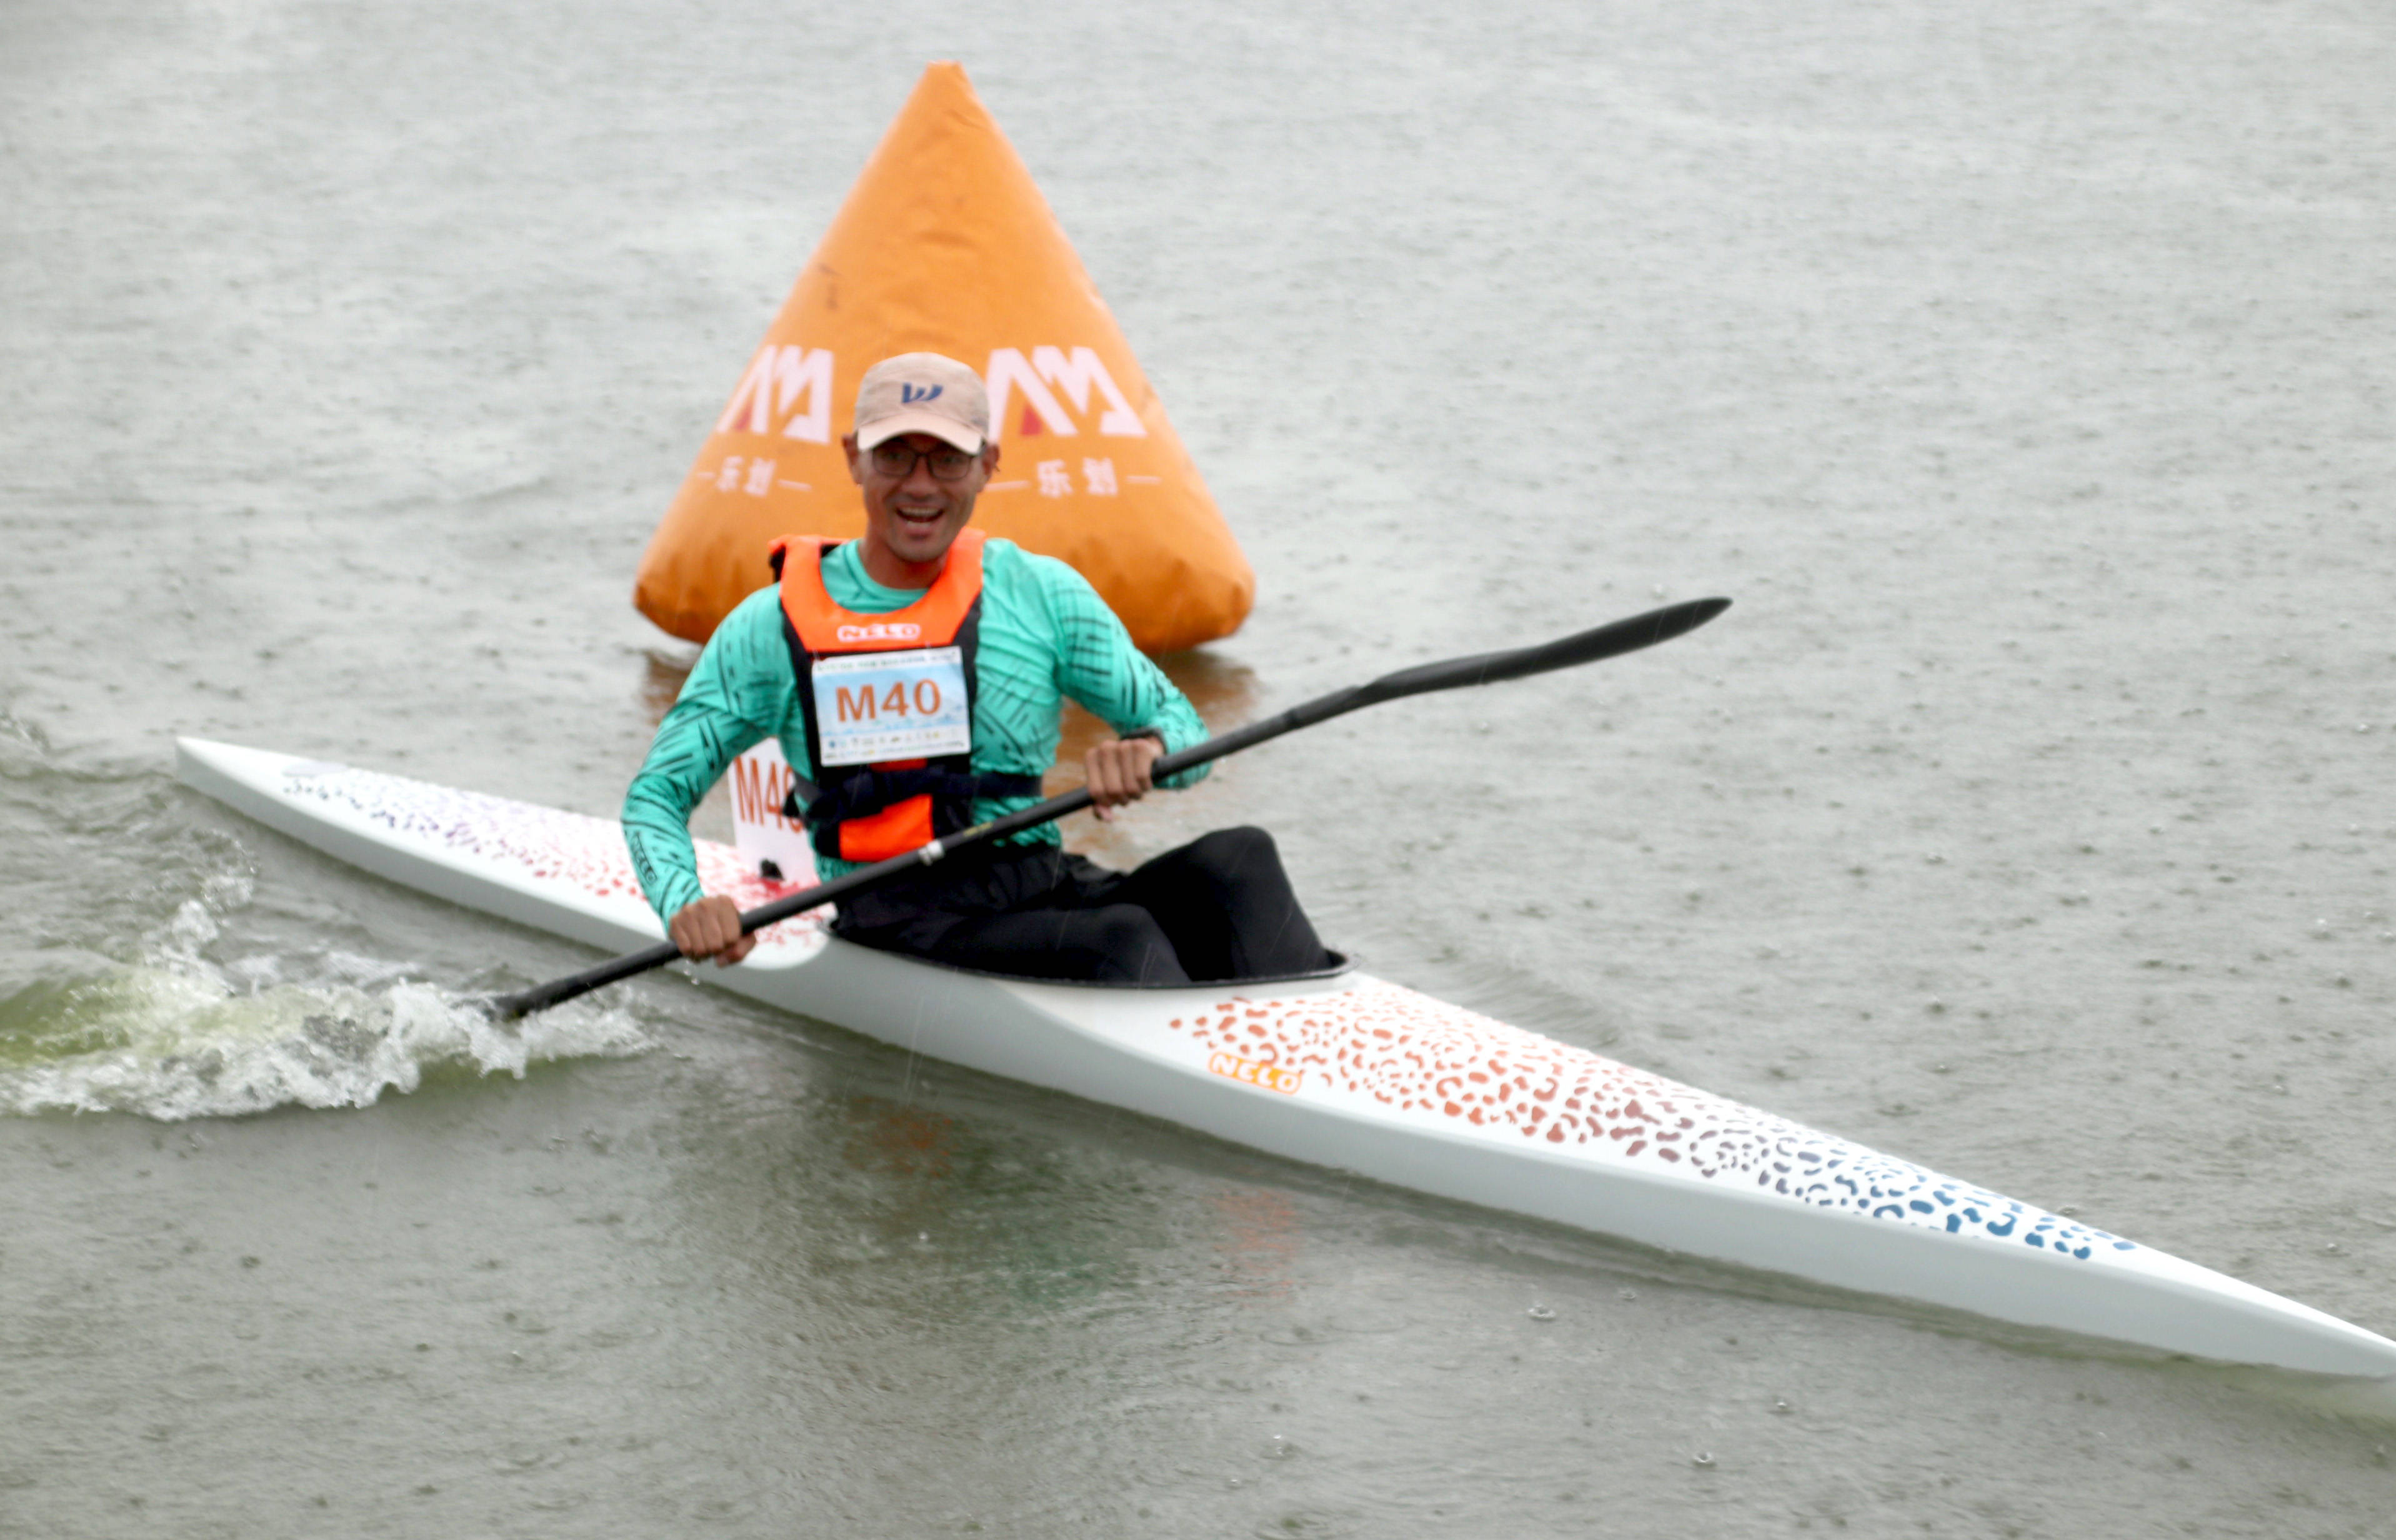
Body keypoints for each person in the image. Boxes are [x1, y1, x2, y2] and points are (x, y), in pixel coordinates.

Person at [623, 351, 1332, 986]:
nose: (920, 486)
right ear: (853, 458)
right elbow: (655, 796)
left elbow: (1185, 731)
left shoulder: (1041, 593)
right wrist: (684, 901)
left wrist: (1149, 750)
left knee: (1242, 859)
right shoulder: (768, 627)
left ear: (989, 463)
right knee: (1124, 942)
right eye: (895, 455)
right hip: (897, 910)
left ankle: (1311, 1061)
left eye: (948, 459)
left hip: (1038, 882)